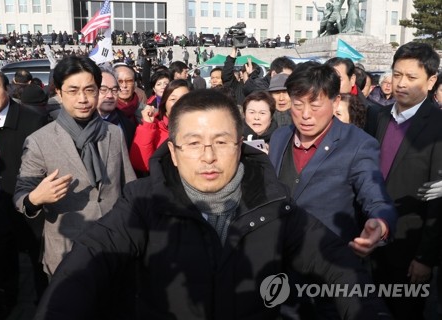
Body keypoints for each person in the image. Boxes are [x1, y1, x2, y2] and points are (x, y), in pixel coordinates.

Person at [34, 89, 392, 319]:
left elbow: (340, 267)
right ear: (173, 152)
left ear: (240, 145)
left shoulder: (273, 204)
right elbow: (87, 261)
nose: (208, 156)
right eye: (193, 143)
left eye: (221, 142)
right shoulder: (143, 203)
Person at [268, 62, 397, 319]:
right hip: (278, 274)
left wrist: (380, 224)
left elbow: (376, 196)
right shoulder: (280, 137)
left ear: (336, 101)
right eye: (298, 104)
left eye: (315, 105)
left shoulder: (358, 144)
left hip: (329, 279)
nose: (305, 114)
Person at [13, 56, 136, 277]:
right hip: (66, 250)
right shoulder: (39, 141)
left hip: (113, 243)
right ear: (58, 93)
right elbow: (21, 195)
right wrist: (35, 199)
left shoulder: (114, 133)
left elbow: (129, 185)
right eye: (73, 91)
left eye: (89, 90)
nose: (83, 98)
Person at [370, 42, 442, 320]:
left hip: (410, 248)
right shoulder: (380, 117)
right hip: (374, 238)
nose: (400, 84)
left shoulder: (437, 126)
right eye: (397, 74)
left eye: (411, 77)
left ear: (431, 80)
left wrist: (425, 257)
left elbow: (438, 201)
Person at [0, 66, 48, 313]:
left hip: (30, 202)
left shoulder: (33, 119)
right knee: (3, 253)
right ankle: (6, 300)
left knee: (38, 256)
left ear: (8, 88)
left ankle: (44, 302)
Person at [129, 79, 192, 176]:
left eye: (184, 99)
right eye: (173, 99)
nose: (178, 103)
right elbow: (141, 164)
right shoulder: (154, 126)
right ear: (165, 102)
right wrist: (147, 126)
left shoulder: (201, 127)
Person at [97, 68, 136, 148]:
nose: (110, 96)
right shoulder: (81, 122)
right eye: (103, 90)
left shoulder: (127, 124)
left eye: (114, 90)